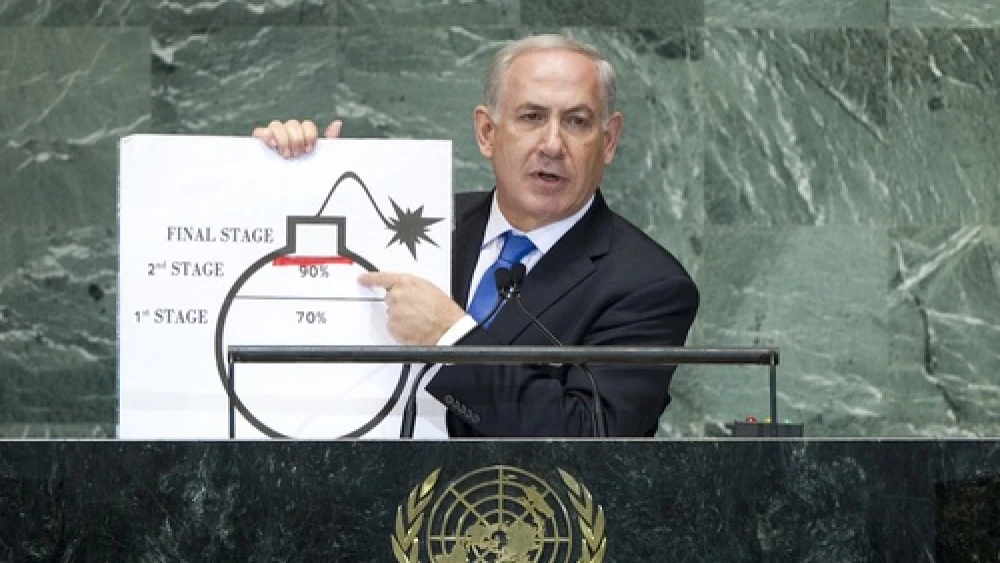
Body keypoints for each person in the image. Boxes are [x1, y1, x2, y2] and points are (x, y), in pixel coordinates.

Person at [253, 34, 699, 437]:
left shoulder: (648, 285)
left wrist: (451, 339)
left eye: (577, 122)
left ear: (609, 140)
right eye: (531, 117)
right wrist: (296, 178)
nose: (552, 144)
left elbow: (590, 439)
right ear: (487, 133)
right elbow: (293, 306)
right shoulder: (424, 224)